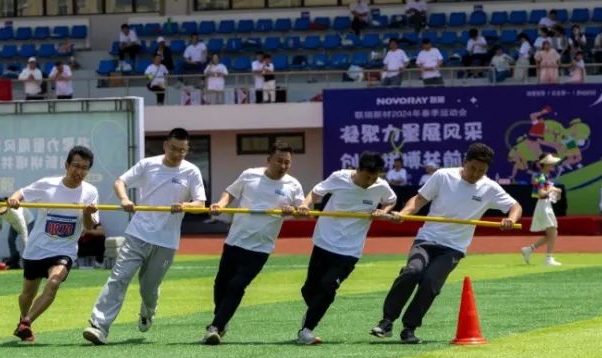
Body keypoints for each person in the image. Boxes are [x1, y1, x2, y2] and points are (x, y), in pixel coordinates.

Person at [371, 143, 522, 344]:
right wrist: (404, 213)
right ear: (464, 162)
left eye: (481, 171)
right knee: (412, 271)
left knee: (430, 283)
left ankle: (409, 328)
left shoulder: (490, 188)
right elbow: (419, 199)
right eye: (472, 168)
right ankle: (387, 321)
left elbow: (515, 206)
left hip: (453, 248)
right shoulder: (443, 176)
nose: (476, 174)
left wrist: (511, 219)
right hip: (427, 239)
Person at [83, 128, 206, 345]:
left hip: (166, 241)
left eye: (182, 150)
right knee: (119, 278)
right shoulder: (148, 165)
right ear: (165, 145)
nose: (177, 154)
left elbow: (200, 204)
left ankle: (148, 310)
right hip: (138, 234)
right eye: (174, 148)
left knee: (148, 288)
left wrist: (185, 206)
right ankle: (98, 325)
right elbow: (120, 182)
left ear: (187, 150)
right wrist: (124, 199)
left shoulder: (191, 171)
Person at [202, 142, 306, 345]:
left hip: (261, 247)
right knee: (221, 285)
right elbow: (230, 193)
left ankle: (215, 327)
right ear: (268, 160)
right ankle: (221, 321)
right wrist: (220, 204)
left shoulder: (293, 185)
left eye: (287, 162)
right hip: (235, 241)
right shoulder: (250, 175)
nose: (283, 166)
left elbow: (302, 209)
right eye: (279, 161)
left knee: (237, 285)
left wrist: (295, 210)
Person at [295, 151, 398, 345]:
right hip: (324, 242)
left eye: (374, 178)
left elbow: (391, 200)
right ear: (358, 170)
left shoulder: (381, 186)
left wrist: (383, 211)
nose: (370, 182)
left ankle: (306, 330)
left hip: (350, 251)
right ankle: (315, 309)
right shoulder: (339, 177)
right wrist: (305, 205)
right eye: (367, 177)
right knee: (310, 290)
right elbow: (316, 193)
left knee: (328, 287)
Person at [6, 146, 100, 342]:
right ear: (66, 165)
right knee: (27, 295)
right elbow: (21, 193)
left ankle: (27, 322)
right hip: (37, 249)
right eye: (76, 166)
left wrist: (87, 213)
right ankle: (23, 318)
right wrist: (14, 199)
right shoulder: (48, 184)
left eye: (84, 168)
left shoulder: (90, 192)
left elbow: (90, 226)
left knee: (54, 281)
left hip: (64, 250)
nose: (79, 172)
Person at [521, 154, 563, 267]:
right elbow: (541, 194)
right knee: (553, 232)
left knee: (553, 233)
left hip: (547, 205)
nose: (553, 165)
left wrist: (557, 192)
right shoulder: (540, 177)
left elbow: (554, 197)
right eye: (551, 163)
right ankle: (548, 259)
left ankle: (529, 250)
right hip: (543, 205)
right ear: (546, 164)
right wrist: (551, 189)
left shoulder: (546, 177)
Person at [0, 196, 33, 269]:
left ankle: (29, 259)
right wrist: (0, 224)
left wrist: (26, 242)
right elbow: (0, 217)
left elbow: (23, 228)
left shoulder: (15, 211)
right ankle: (14, 258)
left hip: (27, 222)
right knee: (10, 239)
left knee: (28, 241)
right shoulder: (1, 212)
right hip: (14, 224)